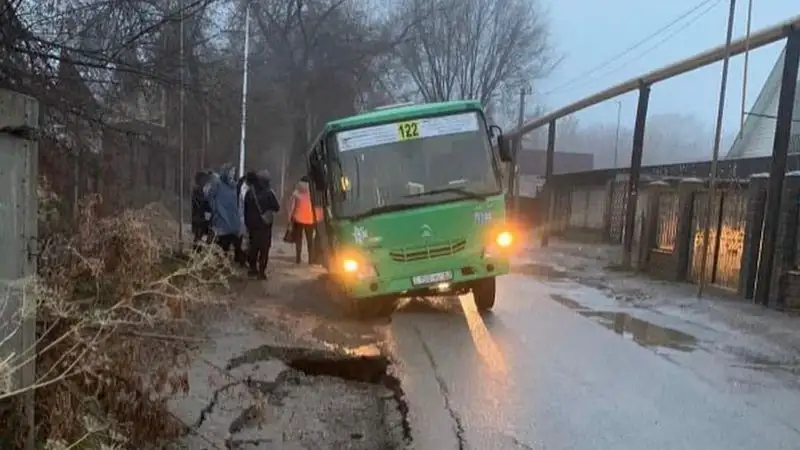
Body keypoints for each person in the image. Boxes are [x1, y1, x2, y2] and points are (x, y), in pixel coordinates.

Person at [243, 170, 280, 279]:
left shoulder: (249, 193)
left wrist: (247, 224)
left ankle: (252, 269)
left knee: (253, 247)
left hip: (252, 225)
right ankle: (261, 272)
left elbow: (245, 210)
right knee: (264, 249)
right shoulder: (269, 192)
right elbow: (276, 207)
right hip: (265, 226)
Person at [208, 163, 245, 260]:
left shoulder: (234, 186)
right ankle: (220, 264)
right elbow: (210, 197)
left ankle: (230, 263)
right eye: (231, 171)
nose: (232, 174)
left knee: (234, 242)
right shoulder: (217, 184)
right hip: (221, 218)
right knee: (222, 244)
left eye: (233, 171)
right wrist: (215, 210)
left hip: (233, 219)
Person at [288, 176, 318, 264]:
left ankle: (298, 259)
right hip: (310, 220)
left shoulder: (296, 193)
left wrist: (289, 219)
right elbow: (316, 207)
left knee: (298, 240)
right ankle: (311, 260)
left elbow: (291, 208)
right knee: (310, 241)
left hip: (298, 220)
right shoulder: (313, 194)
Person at [191, 171, 212, 250]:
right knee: (198, 236)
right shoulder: (197, 191)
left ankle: (199, 251)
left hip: (202, 217)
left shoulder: (202, 190)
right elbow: (200, 203)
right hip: (198, 217)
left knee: (202, 236)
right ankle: (196, 252)